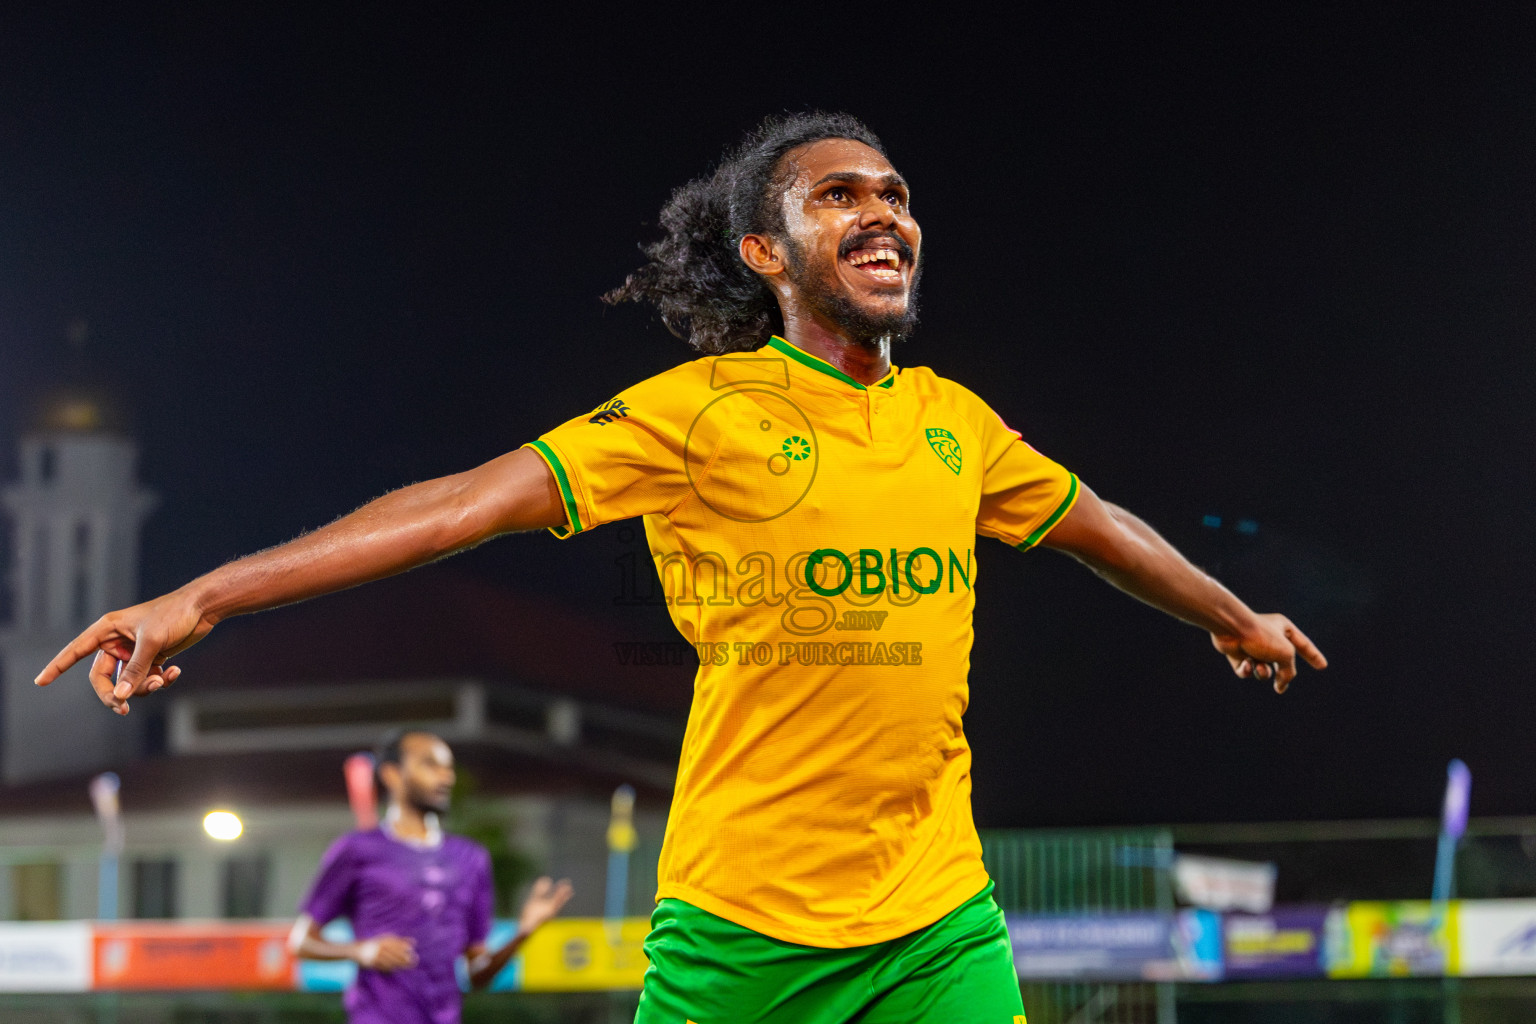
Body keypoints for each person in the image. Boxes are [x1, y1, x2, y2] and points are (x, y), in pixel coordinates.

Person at [37, 111, 1326, 1022]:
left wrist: (1232, 614)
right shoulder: (700, 411)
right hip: (742, 929)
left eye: (895, 194)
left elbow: (1099, 523)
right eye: (840, 196)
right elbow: (457, 508)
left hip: (939, 921)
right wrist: (205, 593)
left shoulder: (956, 421)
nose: (883, 213)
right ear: (767, 255)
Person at [289, 728, 573, 1023]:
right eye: (430, 765)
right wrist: (361, 950)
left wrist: (523, 933)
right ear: (392, 774)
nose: (446, 777)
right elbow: (301, 943)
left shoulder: (471, 858)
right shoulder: (356, 850)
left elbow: (477, 975)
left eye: (448, 768)